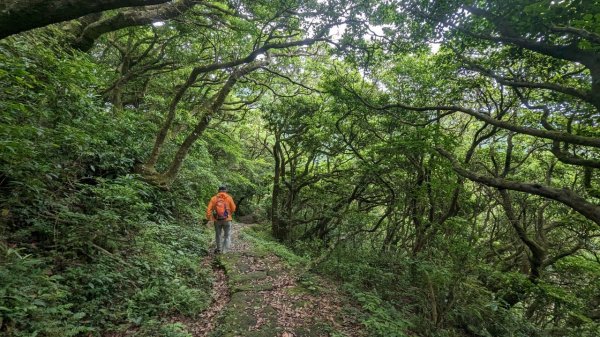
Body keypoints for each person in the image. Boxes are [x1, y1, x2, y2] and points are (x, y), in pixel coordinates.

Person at [205, 185, 236, 254]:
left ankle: (218, 249)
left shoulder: (214, 198)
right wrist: (228, 214)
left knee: (218, 234)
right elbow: (233, 208)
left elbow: (208, 210)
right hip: (227, 219)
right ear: (226, 191)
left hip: (217, 220)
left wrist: (208, 218)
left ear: (218, 191)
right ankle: (224, 251)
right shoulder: (229, 198)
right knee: (227, 235)